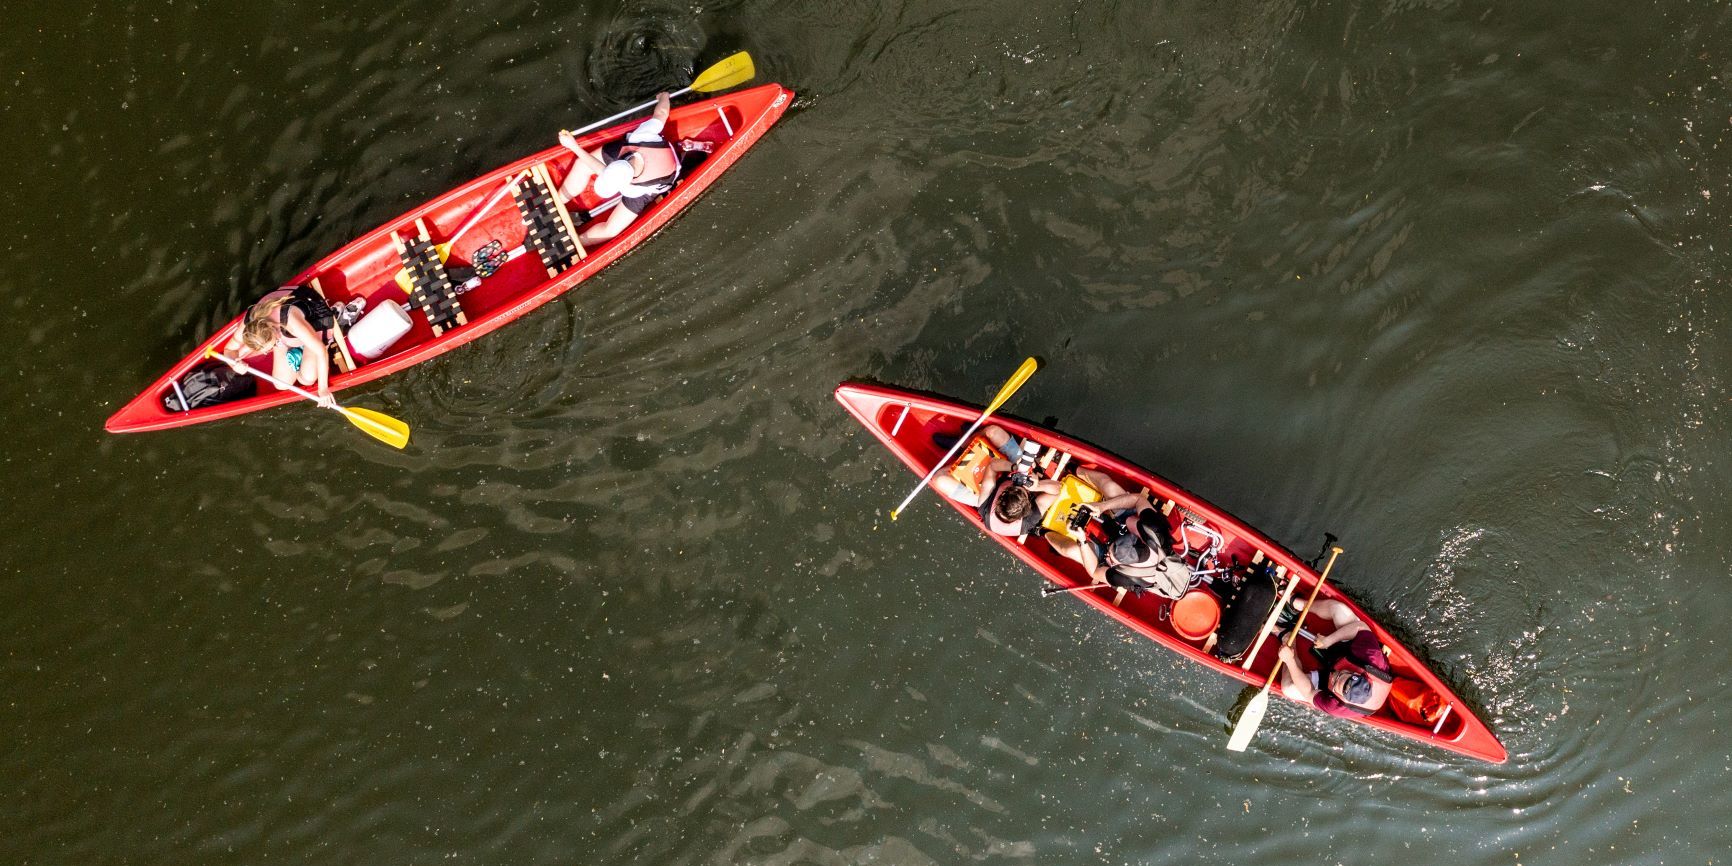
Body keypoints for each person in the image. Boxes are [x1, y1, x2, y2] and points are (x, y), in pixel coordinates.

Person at [557, 91, 683, 246]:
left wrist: (574, 147)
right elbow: (662, 113)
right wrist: (664, 97)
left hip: (649, 185)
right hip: (642, 151)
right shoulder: (642, 136)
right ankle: (559, 203)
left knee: (611, 229)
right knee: (583, 165)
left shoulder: (632, 190)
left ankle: (575, 242)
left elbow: (601, 169)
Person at [931, 424, 1066, 537]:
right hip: (1015, 471)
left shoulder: (989, 504)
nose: (1017, 484)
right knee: (993, 431)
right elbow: (1058, 489)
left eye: (1012, 487)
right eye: (1017, 488)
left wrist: (1030, 486)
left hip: (985, 494)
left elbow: (992, 465)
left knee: (939, 479)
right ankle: (965, 444)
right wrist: (1022, 473)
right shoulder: (1027, 502)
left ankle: (960, 454)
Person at [219, 286, 337, 407]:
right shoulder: (250, 322)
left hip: (314, 315)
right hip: (283, 329)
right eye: (267, 350)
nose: (266, 353)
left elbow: (321, 351)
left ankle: (307, 343)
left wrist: (323, 389)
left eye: (270, 347)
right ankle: (297, 350)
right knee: (281, 384)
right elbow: (229, 349)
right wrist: (234, 364)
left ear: (273, 332)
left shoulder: (291, 322)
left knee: (307, 380)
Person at [1275, 599, 1394, 717]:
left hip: (1327, 680)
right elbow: (1360, 627)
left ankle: (1288, 639)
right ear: (1356, 674)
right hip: (1351, 654)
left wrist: (1289, 660)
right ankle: (1298, 604)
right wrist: (1328, 640)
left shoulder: (1336, 706)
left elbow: (1308, 692)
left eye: (1335, 682)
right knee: (1338, 609)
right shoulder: (1371, 659)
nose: (1333, 676)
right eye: (1340, 675)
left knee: (1289, 688)